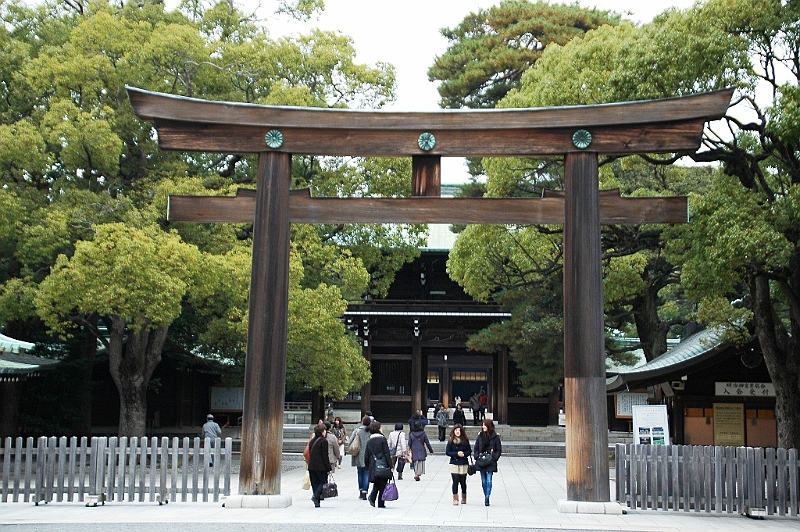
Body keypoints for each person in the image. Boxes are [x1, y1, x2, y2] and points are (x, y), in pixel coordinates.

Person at [473, 419, 502, 506]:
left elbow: (498, 449)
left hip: (490, 460)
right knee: (483, 481)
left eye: (485, 425)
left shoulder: (495, 437)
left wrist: (494, 458)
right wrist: (477, 456)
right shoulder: (480, 436)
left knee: (489, 480)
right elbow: (476, 447)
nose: (483, 427)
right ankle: (485, 493)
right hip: (482, 460)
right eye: (482, 425)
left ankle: (487, 497)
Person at [364, 421, 393, 508]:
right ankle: (380, 502)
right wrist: (391, 465)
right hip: (383, 463)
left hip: (373, 464)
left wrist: (367, 466)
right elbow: (387, 453)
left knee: (377, 482)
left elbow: (366, 455)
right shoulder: (382, 439)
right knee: (383, 483)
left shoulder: (369, 441)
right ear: (378, 428)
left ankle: (372, 497)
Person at [346, 415, 372, 500]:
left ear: (362, 422)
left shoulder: (357, 431)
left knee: (360, 473)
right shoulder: (371, 431)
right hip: (368, 454)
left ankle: (361, 491)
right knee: (366, 473)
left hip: (359, 454)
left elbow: (350, 441)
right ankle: (365, 491)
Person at [445, 423, 471, 505]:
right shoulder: (451, 441)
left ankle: (464, 497)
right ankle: (455, 498)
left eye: (459, 431)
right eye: (456, 430)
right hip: (454, 463)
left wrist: (464, 454)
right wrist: (456, 454)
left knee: (463, 481)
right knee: (455, 481)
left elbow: (469, 451)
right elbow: (448, 452)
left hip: (463, 462)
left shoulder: (465, 440)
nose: (457, 432)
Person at [307, 423, 331, 508]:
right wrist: (328, 468)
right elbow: (325, 456)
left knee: (315, 483)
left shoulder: (312, 441)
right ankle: (316, 496)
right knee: (323, 482)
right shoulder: (324, 441)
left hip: (311, 465)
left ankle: (316, 501)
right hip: (320, 466)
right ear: (322, 432)